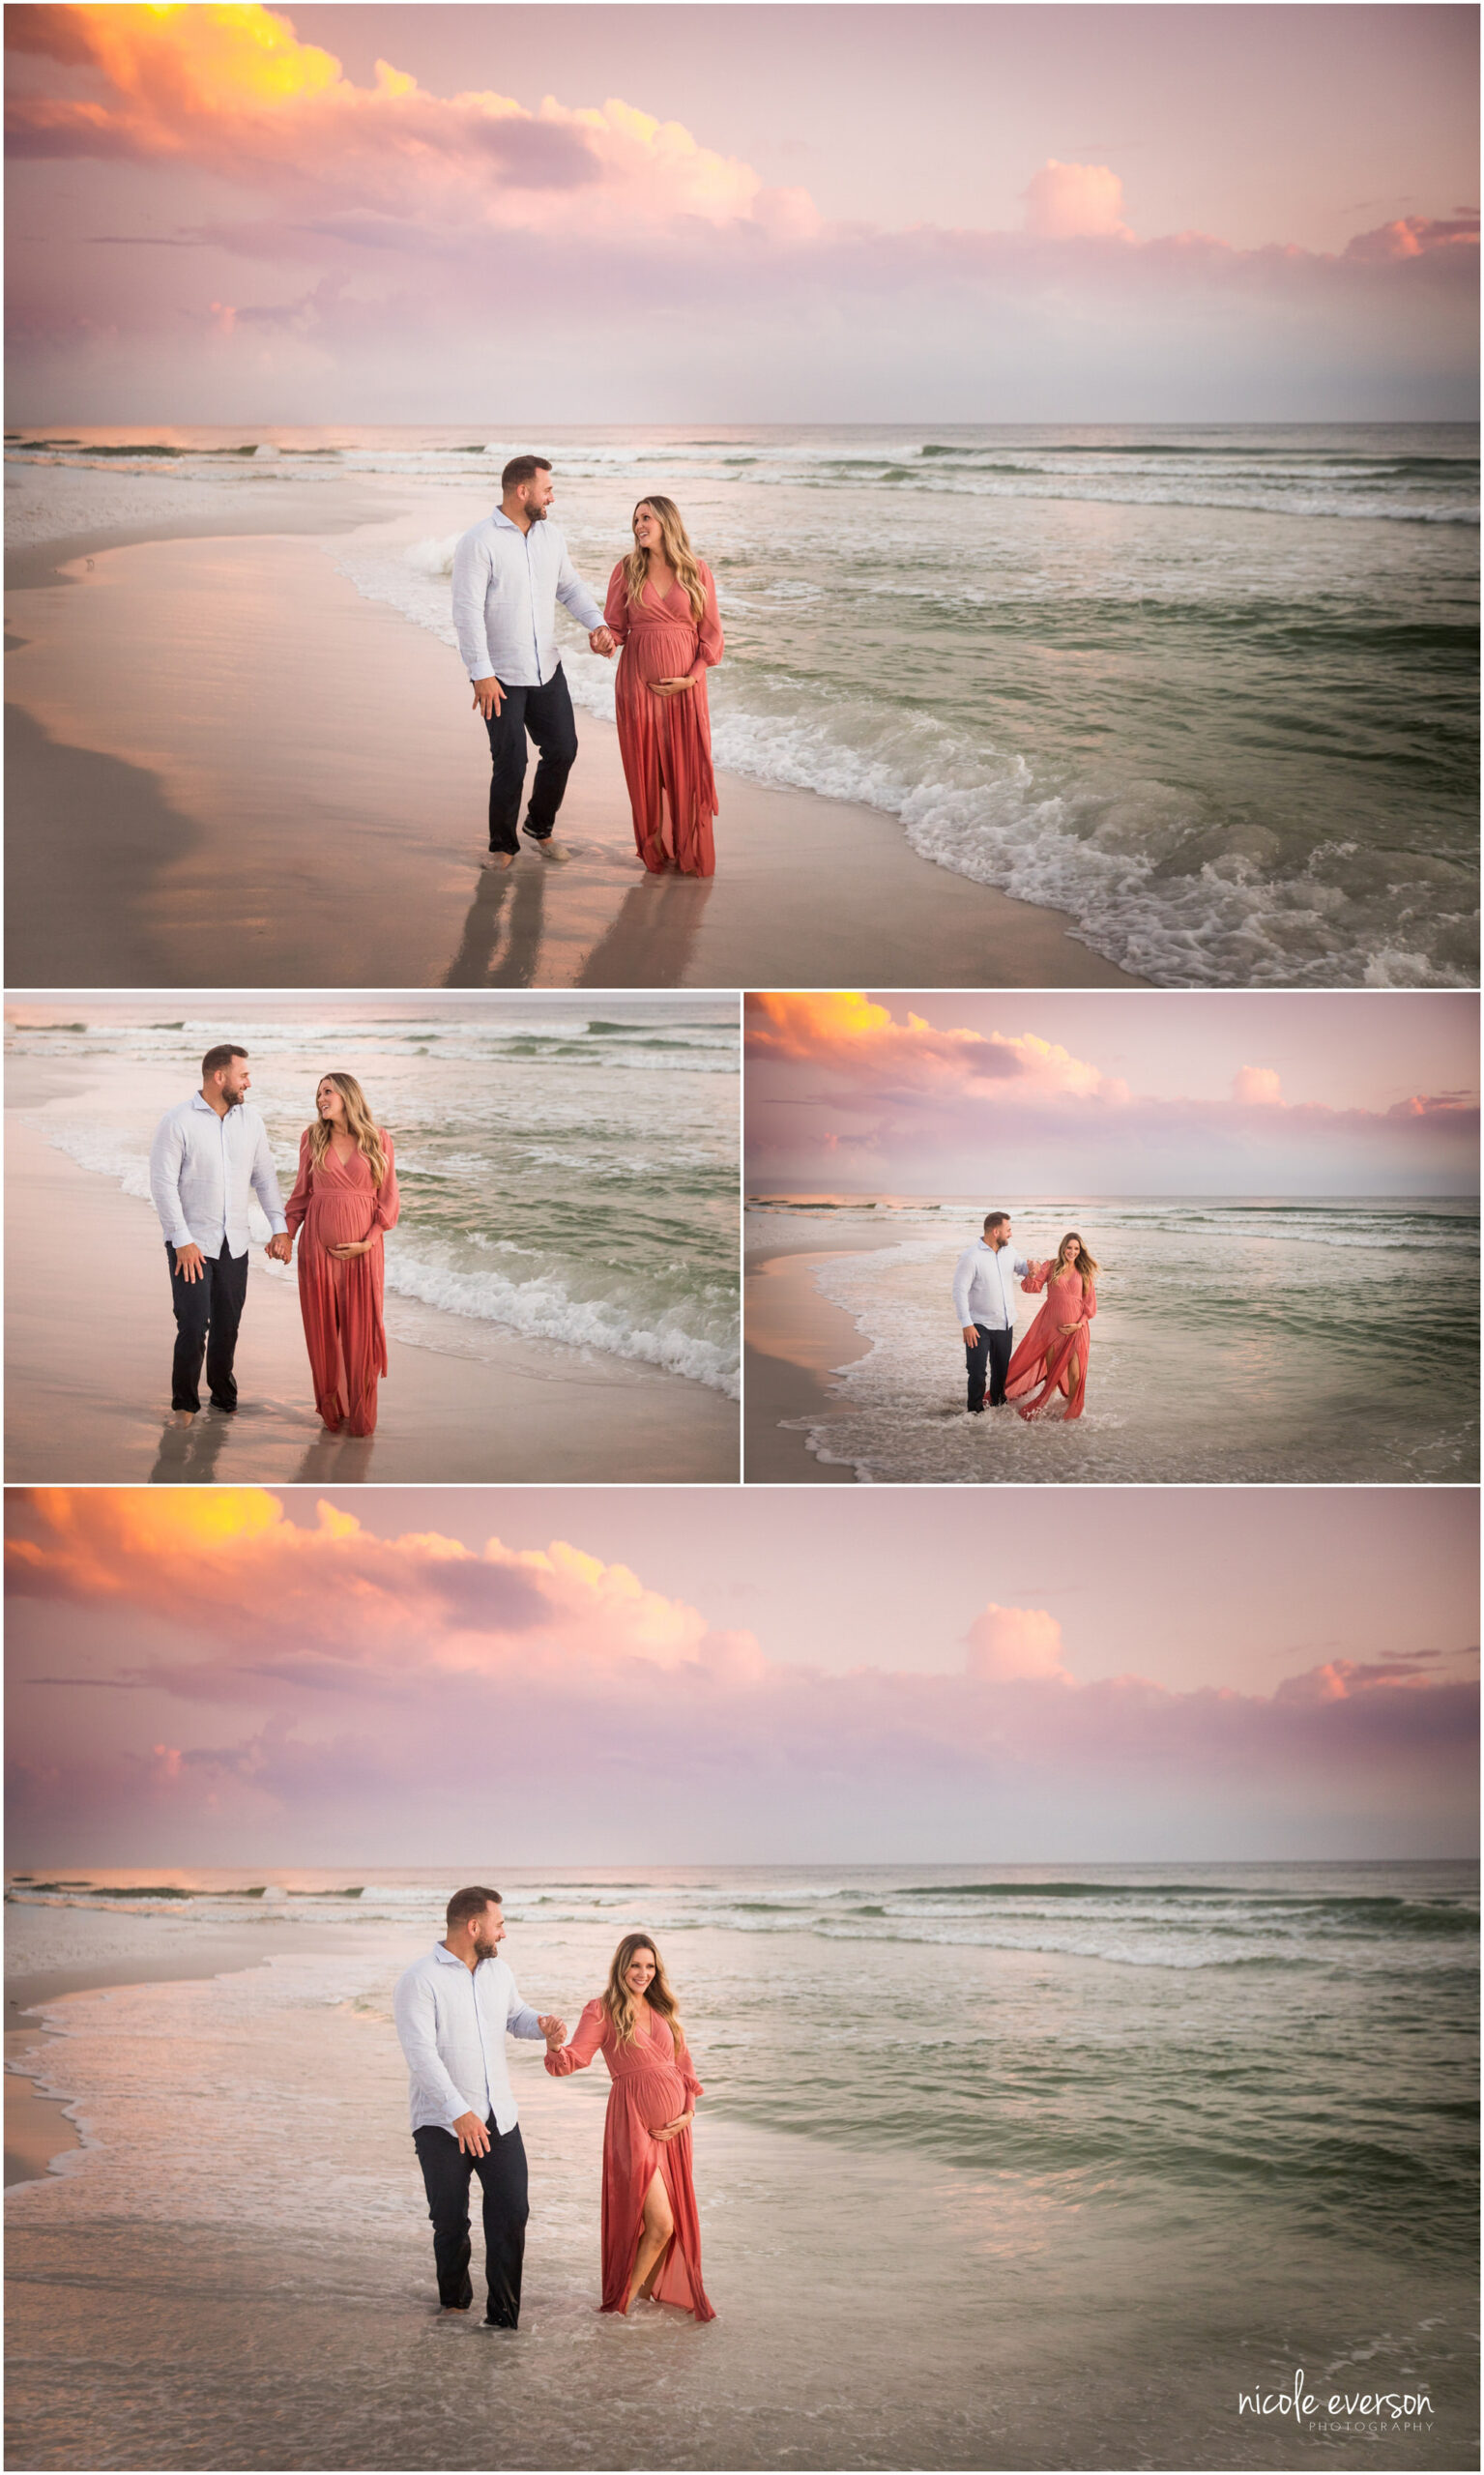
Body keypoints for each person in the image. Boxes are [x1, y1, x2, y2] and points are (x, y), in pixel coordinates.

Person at [392, 1887, 567, 2328]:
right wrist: (458, 2111)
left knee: (512, 2214)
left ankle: (503, 2319)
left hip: (499, 2117)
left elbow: (514, 2017)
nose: (503, 1933)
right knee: (450, 2221)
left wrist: (542, 2026)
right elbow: (421, 2055)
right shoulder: (419, 1980)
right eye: (499, 1924)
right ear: (474, 1927)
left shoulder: (498, 1972)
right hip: (440, 2124)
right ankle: (454, 2304)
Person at [451, 453, 616, 869]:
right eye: (547, 490)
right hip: (499, 674)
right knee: (511, 760)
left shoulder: (551, 538)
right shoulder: (478, 541)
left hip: (546, 666)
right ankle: (503, 847)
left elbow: (570, 587)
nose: (552, 499)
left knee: (563, 749)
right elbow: (466, 612)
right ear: (522, 491)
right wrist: (480, 674)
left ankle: (539, 827)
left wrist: (596, 623)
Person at [544, 1932, 715, 2320]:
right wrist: (555, 2047)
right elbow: (573, 2059)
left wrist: (688, 2113)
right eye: (635, 1965)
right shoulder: (602, 2010)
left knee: (669, 2227)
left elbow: (683, 2069)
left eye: (650, 1966)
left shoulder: (663, 2011)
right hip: (633, 2125)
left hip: (674, 2132)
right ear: (621, 1966)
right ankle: (617, 2309)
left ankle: (641, 2302)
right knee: (660, 2222)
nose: (643, 1973)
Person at [147, 1042, 289, 1424]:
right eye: (244, 1075)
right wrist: (183, 1241)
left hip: (235, 1243)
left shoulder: (251, 1121)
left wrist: (280, 1228)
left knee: (228, 1326)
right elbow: (162, 1185)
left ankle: (223, 1396)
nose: (249, 1083)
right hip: (190, 1245)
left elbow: (265, 1178)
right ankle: (184, 1405)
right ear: (219, 1076)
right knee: (193, 1325)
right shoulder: (177, 1121)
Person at [604, 497, 724, 877]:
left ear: (666, 522)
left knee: (685, 768)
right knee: (647, 769)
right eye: (635, 519)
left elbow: (712, 634)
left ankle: (689, 852)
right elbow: (615, 628)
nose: (638, 524)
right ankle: (655, 850)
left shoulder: (695, 570)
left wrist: (692, 676)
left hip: (686, 688)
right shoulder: (626, 570)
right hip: (636, 685)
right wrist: (603, 640)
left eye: (646, 518)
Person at [281, 1074, 399, 1438]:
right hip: (317, 1253)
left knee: (360, 1332)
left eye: (327, 1091)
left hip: (364, 1255)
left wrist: (370, 1240)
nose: (320, 1098)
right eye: (318, 1093)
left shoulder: (377, 1139)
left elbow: (388, 1199)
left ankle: (361, 1415)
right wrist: (285, 1235)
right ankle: (334, 1411)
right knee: (324, 1333)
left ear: (347, 1096)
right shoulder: (312, 1138)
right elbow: (301, 1195)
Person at [1005, 1232, 1100, 1421]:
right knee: (1053, 1373)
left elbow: (1090, 1305)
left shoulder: (1084, 1271)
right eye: (1069, 1247)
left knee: (1075, 1374)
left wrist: (1078, 1325)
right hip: (1051, 1328)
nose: (1072, 1252)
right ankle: (1049, 1407)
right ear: (1063, 1247)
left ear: (1080, 1251)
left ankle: (1073, 1415)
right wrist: (1032, 1273)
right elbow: (1032, 1287)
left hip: (1076, 1330)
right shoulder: (1051, 1265)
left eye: (1076, 1249)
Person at [951, 1210, 1032, 1413]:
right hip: (978, 1325)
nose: (1011, 1234)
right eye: (1008, 1230)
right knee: (977, 1373)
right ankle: (975, 1415)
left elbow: (1022, 1268)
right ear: (996, 1232)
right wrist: (966, 1324)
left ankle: (997, 1411)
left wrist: (1032, 1266)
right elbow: (959, 1290)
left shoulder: (1009, 1251)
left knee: (1001, 1372)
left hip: (1005, 1323)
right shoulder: (971, 1257)